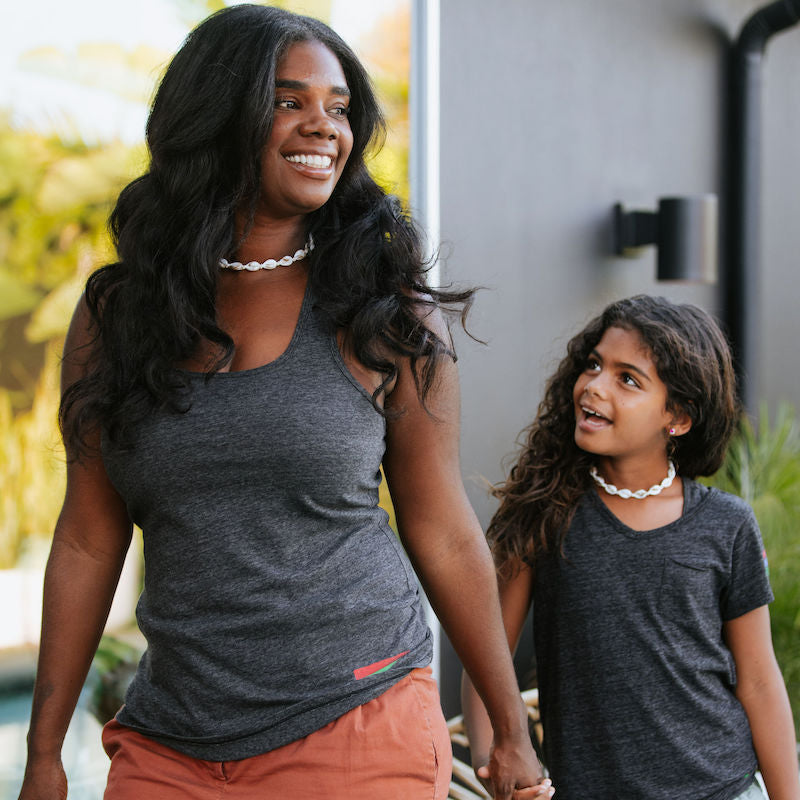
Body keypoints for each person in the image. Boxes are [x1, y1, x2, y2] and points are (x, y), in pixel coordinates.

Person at [18, 6, 551, 800]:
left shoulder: (384, 306)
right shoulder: (119, 315)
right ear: (216, 115)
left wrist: (508, 731)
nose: (324, 126)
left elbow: (441, 526)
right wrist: (43, 752)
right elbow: (89, 537)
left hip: (357, 723)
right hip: (169, 743)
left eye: (339, 107)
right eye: (288, 100)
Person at [462, 295, 800, 800]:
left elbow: (759, 681)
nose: (595, 386)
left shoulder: (727, 524)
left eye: (628, 379)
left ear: (677, 417)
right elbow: (485, 653)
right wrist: (495, 760)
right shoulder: (544, 513)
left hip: (724, 788)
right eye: (594, 364)